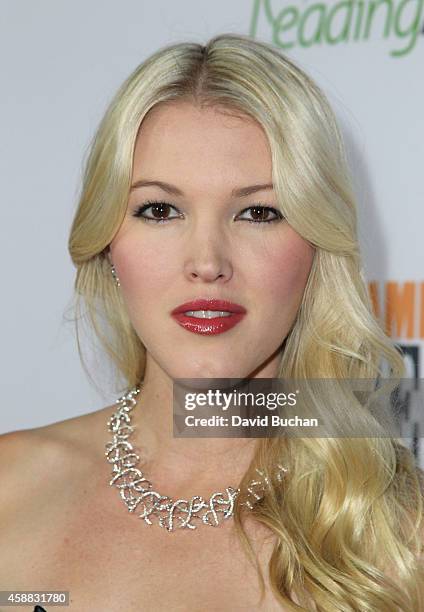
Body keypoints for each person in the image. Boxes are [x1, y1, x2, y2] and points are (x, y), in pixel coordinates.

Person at [0, 32, 423, 611]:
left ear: (317, 251)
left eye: (258, 212)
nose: (207, 263)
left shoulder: (399, 534)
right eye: (160, 210)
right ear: (106, 243)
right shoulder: (11, 484)